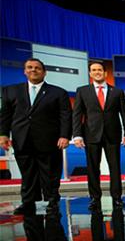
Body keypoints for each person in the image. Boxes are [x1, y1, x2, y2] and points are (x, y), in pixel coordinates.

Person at [0, 58, 72, 215]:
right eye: (30, 67)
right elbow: (5, 115)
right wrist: (3, 134)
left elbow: (66, 116)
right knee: (27, 173)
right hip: (22, 139)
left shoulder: (58, 92)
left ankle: (52, 201)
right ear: (25, 71)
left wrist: (65, 135)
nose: (33, 70)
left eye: (37, 68)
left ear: (44, 72)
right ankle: (28, 202)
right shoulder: (10, 91)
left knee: (50, 173)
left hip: (49, 140)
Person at [73, 62, 125, 211]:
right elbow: (77, 114)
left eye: (99, 70)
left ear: (105, 73)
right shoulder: (82, 91)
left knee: (115, 168)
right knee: (92, 168)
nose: (97, 72)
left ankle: (117, 198)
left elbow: (124, 114)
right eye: (94, 70)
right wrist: (77, 134)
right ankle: (94, 198)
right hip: (91, 135)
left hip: (113, 135)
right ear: (90, 73)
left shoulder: (117, 92)